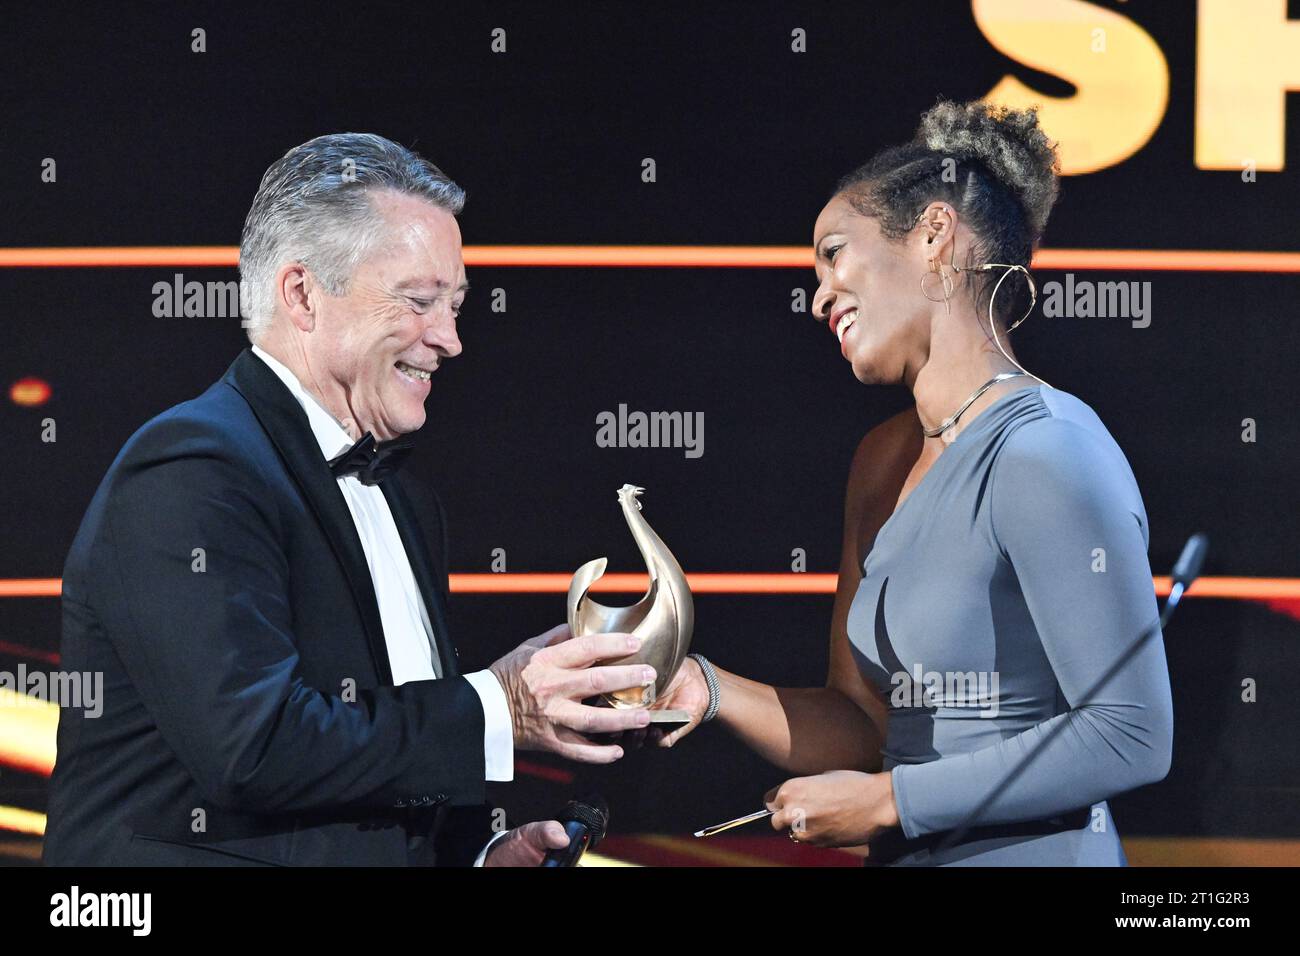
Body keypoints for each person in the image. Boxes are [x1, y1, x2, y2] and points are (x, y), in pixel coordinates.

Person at [43, 133, 656, 867]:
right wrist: (502, 703)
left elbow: (381, 748)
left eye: (455, 304)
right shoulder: (193, 467)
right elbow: (256, 746)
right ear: (302, 293)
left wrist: (474, 856)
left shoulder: (404, 497)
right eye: (420, 301)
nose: (451, 339)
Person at [654, 100, 1174, 865]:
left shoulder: (1048, 450)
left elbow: (1131, 734)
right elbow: (863, 727)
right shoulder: (880, 461)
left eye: (834, 254)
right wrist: (712, 689)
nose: (819, 295)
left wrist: (893, 801)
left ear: (934, 237)